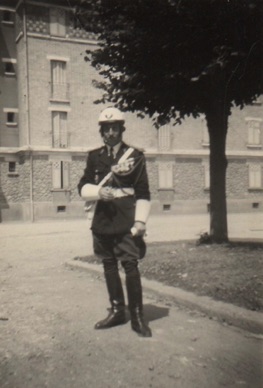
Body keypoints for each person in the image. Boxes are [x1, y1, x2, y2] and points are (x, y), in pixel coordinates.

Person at [78, 107, 152, 337]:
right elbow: (82, 186)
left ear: (122, 130)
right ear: (102, 132)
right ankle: (118, 310)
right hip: (101, 220)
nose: (111, 133)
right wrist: (98, 194)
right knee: (108, 265)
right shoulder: (94, 157)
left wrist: (140, 221)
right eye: (106, 129)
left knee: (130, 266)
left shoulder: (135, 156)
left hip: (126, 220)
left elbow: (143, 192)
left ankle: (138, 315)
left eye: (115, 128)